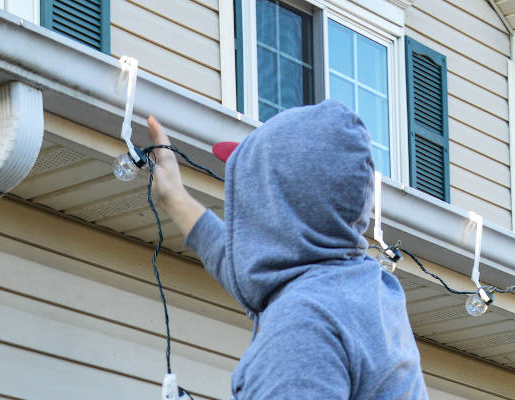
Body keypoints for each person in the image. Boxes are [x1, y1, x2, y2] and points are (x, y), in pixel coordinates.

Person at [146, 99, 427, 399]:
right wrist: (174, 198)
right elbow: (247, 270)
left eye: (252, 195)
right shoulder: (365, 288)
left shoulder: (304, 326)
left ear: (277, 210)